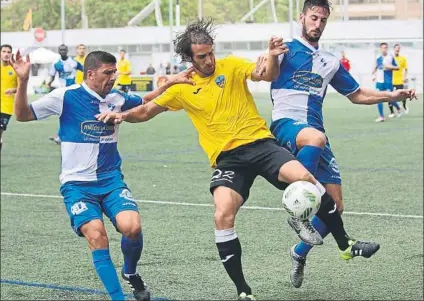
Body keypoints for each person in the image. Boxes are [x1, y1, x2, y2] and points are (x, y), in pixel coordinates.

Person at [96, 18, 374, 301]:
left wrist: (271, 56)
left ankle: (345, 244)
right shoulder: (182, 87)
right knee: (222, 214)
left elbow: (263, 74)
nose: (209, 60)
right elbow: (146, 111)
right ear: (189, 58)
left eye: (210, 53)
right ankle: (244, 292)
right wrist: (122, 116)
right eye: (201, 56)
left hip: (261, 144)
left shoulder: (230, 65)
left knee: (307, 179)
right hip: (228, 160)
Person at [256, 0, 416, 289]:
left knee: (336, 205)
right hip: (287, 126)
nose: (317, 24)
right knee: (314, 139)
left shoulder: (329, 61)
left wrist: (393, 96)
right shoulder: (285, 48)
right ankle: (297, 213)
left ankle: (298, 252)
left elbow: (356, 94)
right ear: (302, 17)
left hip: (316, 134)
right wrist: (270, 55)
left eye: (323, 20)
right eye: (313, 18)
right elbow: (266, 75)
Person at [11, 49, 195, 301]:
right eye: (108, 73)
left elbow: (144, 101)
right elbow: (22, 115)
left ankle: (130, 272)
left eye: (114, 73)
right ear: (90, 74)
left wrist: (172, 81)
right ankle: (118, 298)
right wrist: (22, 81)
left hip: (110, 180)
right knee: (97, 235)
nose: (113, 78)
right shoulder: (65, 96)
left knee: (132, 227)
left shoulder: (116, 98)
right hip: (77, 186)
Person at [48, 44, 84, 144]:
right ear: (59, 51)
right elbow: (51, 76)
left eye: (64, 49)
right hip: (61, 92)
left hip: (72, 91)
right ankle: (62, 135)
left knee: (68, 113)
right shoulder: (56, 63)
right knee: (66, 113)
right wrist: (48, 83)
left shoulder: (73, 62)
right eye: (61, 50)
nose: (63, 51)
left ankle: (61, 136)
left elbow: (84, 70)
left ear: (67, 51)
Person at [372, 42, 402, 122]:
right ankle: (381, 116)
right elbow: (376, 66)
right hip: (379, 81)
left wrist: (389, 67)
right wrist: (373, 74)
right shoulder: (378, 58)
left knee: (390, 98)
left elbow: (398, 67)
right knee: (378, 98)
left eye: (385, 47)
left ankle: (398, 107)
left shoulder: (390, 57)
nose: (384, 49)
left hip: (388, 81)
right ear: (380, 49)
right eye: (382, 48)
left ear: (387, 48)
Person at [0, 44, 18, 152]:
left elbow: (21, 87)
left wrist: (12, 90)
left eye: (8, 52)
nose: (6, 54)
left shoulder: (15, 69)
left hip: (6, 107)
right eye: (4, 51)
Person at [391, 43, 409, 114]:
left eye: (398, 48)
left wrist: (405, 77)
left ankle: (404, 106)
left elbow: (406, 69)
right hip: (391, 81)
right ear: (394, 49)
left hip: (400, 81)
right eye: (396, 48)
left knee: (402, 95)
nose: (397, 49)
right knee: (390, 96)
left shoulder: (403, 59)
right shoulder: (391, 58)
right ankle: (392, 112)